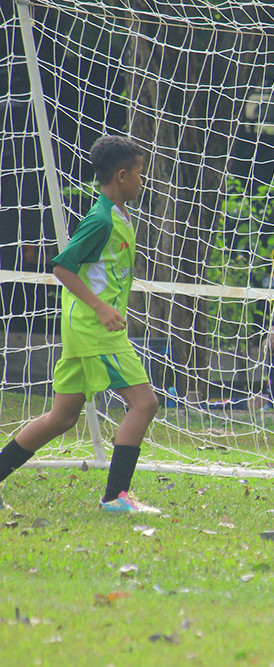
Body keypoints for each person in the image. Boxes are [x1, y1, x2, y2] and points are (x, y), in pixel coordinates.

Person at [0, 136, 161, 514]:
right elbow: (61, 266)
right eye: (140, 174)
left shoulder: (117, 213)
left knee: (62, 417)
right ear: (122, 176)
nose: (143, 180)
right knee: (145, 403)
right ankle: (115, 498)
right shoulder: (100, 219)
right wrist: (101, 307)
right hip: (95, 329)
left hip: (85, 328)